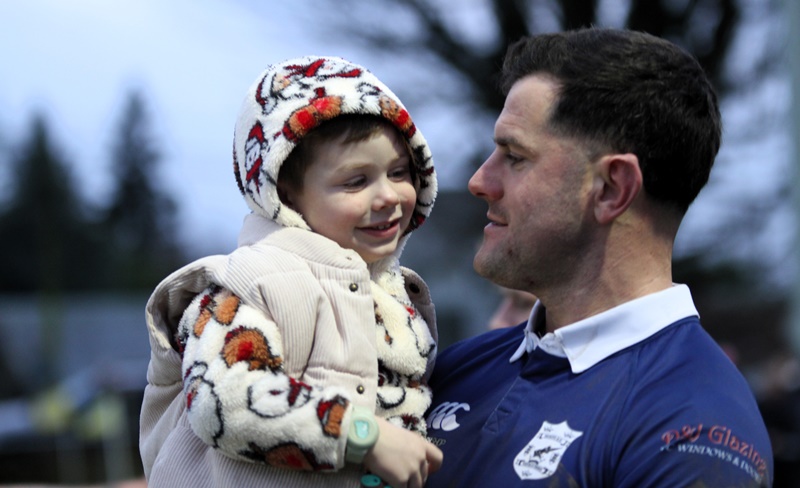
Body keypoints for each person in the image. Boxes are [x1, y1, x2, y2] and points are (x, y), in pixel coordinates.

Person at [425, 28, 774, 487]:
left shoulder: (693, 427)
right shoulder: (457, 368)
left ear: (611, 188)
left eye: (515, 156)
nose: (479, 181)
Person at [139, 56, 442, 488]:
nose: (389, 196)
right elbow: (223, 399)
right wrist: (363, 436)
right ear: (286, 194)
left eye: (399, 173)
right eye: (356, 182)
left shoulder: (397, 298)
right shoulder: (250, 283)